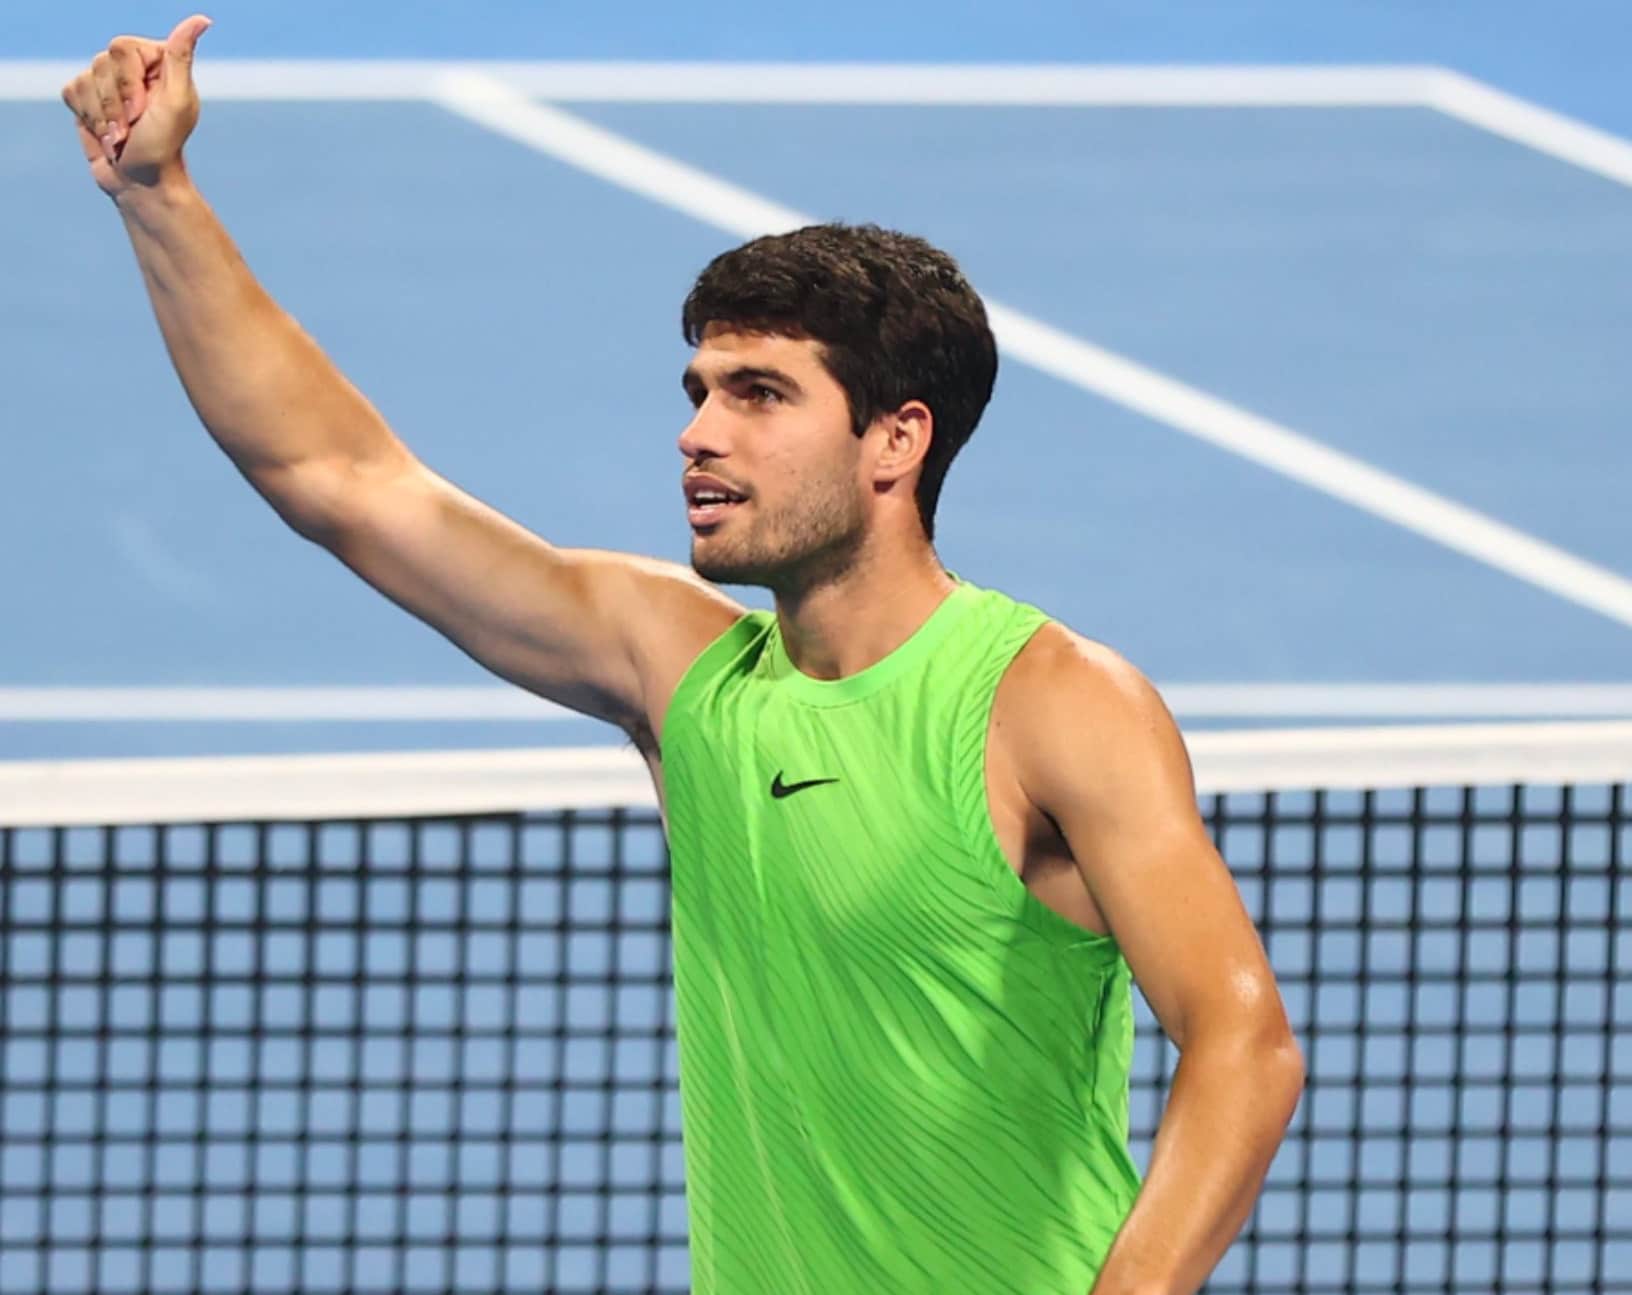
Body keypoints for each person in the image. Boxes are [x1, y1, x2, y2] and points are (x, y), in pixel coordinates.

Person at [61, 17, 1305, 1294]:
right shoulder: (682, 671)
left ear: (896, 442)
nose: (700, 433)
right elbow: (340, 479)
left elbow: (1241, 1041)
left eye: (759, 395)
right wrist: (158, 194)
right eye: (698, 390)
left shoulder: (1049, 702)